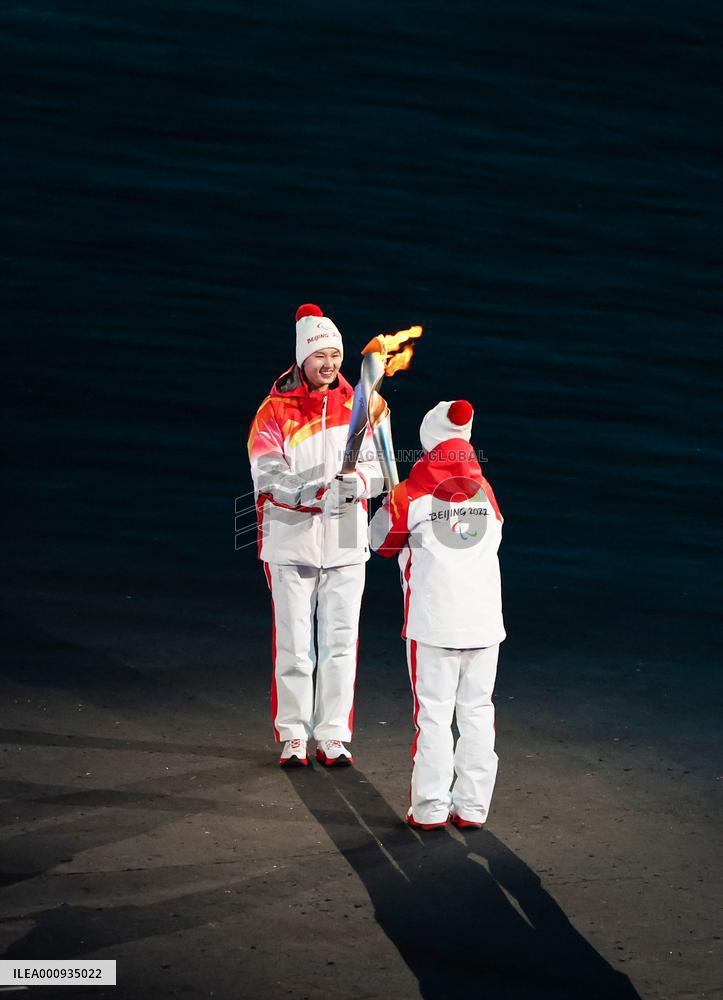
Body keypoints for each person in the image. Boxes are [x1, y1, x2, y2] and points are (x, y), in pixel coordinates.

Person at [248, 304, 382, 768]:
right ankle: (293, 735)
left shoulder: (369, 404)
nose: (329, 364)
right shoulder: (274, 411)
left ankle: (332, 736)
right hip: (290, 541)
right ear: (302, 357)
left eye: (335, 354)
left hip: (347, 539)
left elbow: (382, 471)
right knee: (294, 642)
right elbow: (266, 475)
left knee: (342, 642)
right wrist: (312, 493)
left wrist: (356, 485)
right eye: (320, 355)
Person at [369, 400, 505, 829]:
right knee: (478, 712)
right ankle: (472, 808)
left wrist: (390, 503)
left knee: (433, 716)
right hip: (485, 624)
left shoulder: (409, 495)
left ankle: (429, 808)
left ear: (428, 444)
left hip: (434, 625)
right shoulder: (488, 494)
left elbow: (378, 543)